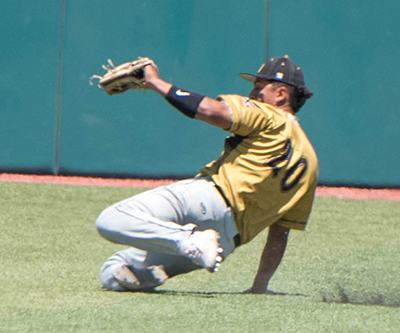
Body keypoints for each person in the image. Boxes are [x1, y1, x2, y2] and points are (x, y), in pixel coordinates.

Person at [95, 55, 318, 294]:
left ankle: (188, 240)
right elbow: (279, 233)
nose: (253, 93)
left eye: (259, 87)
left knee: (110, 219)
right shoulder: (311, 163)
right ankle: (167, 261)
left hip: (209, 199)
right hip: (226, 240)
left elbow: (209, 110)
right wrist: (260, 286)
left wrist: (155, 83)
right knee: (113, 270)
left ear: (281, 94)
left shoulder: (269, 115)